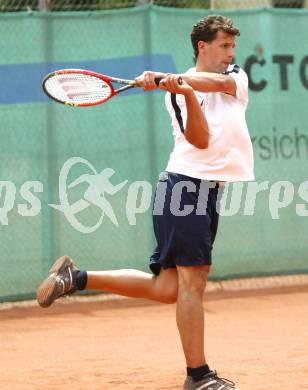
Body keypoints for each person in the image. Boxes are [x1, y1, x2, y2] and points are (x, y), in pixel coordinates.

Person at [37, 15, 254, 390]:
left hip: (205, 191)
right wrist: (183, 90)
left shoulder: (234, 76)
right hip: (186, 188)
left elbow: (219, 83)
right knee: (193, 283)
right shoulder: (177, 94)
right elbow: (200, 141)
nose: (230, 53)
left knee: (168, 288)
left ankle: (77, 277)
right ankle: (199, 376)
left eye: (232, 46)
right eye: (223, 45)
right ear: (203, 46)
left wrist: (181, 82)